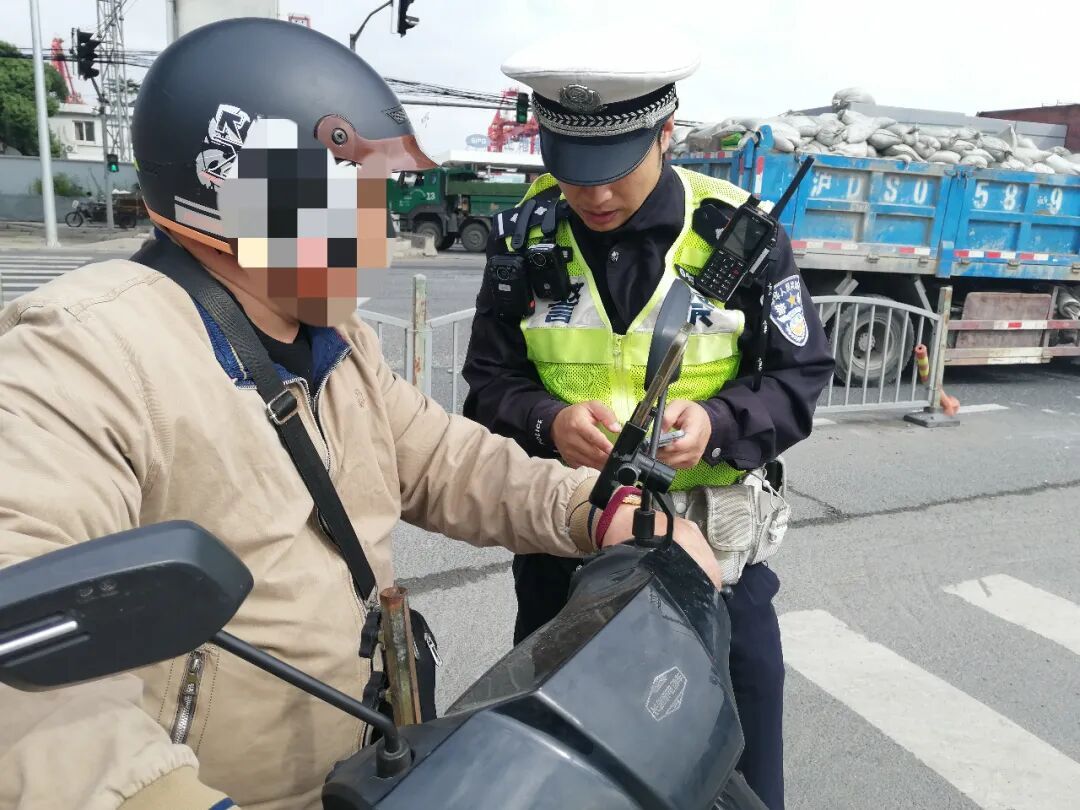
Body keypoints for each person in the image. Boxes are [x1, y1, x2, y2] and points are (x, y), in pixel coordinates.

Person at [0, 19, 723, 810]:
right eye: (354, 198)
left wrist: (601, 511)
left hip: (361, 768)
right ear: (247, 198)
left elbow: (448, 462)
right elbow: (26, 658)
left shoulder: (334, 341)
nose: (377, 230)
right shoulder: (84, 352)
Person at [461, 30, 836, 810]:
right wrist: (547, 421)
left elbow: (799, 376)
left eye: (613, 172)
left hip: (710, 561)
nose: (593, 196)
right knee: (558, 774)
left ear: (665, 132)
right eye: (572, 172)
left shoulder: (739, 236)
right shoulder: (525, 238)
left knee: (737, 771)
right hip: (567, 556)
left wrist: (718, 423)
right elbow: (489, 384)